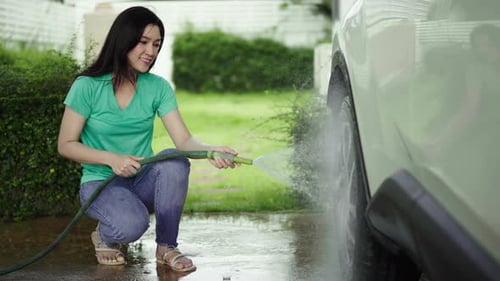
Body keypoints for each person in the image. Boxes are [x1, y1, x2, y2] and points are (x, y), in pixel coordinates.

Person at [57, 6, 239, 271]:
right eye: (143, 42)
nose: (151, 51)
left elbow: (184, 142)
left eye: (156, 44)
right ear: (124, 40)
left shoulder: (157, 87)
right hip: (100, 183)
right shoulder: (87, 86)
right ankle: (105, 235)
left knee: (173, 162)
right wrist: (111, 158)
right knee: (131, 225)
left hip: (141, 180)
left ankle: (167, 247)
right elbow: (66, 144)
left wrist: (210, 151)